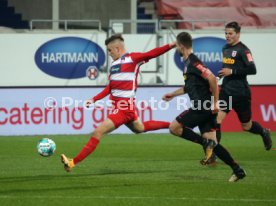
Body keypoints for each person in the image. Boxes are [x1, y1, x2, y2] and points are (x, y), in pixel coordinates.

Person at [61, 34, 176, 172]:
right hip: (122, 108)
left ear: (117, 48)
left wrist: (172, 44)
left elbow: (151, 53)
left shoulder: (132, 59)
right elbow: (110, 87)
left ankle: (72, 162)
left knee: (98, 132)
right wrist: (94, 99)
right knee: (139, 128)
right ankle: (173, 125)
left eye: (110, 50)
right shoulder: (114, 65)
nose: (109, 54)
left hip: (124, 109)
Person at [162, 31, 246, 182]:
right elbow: (190, 87)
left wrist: (215, 102)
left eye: (177, 46)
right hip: (205, 106)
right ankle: (237, 170)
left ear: (181, 46)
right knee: (214, 143)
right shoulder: (188, 64)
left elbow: (212, 78)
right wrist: (173, 94)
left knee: (174, 127)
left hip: (203, 106)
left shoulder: (194, 62)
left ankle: (205, 143)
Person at [215, 21, 272, 152]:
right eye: (226, 33)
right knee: (216, 120)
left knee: (246, 126)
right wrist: (221, 75)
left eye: (230, 33)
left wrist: (232, 72)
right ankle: (214, 153)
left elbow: (253, 69)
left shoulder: (244, 50)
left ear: (238, 34)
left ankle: (263, 132)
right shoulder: (225, 48)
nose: (227, 36)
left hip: (241, 93)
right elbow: (227, 67)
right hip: (226, 91)